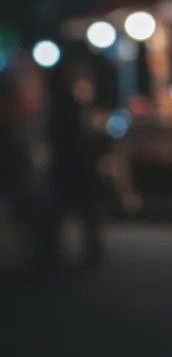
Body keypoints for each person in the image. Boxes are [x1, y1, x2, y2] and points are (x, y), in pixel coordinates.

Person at [48, 60, 104, 267]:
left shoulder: (59, 106)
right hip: (75, 163)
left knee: (68, 209)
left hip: (69, 163)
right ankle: (86, 249)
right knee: (81, 208)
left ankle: (55, 251)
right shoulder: (70, 107)